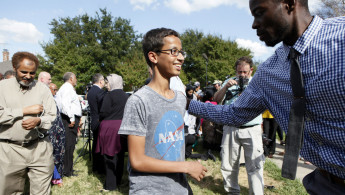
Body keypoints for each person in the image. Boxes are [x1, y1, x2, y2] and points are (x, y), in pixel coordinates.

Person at [188, 0, 345, 194]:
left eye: (260, 12)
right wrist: (187, 103)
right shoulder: (268, 73)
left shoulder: (341, 37)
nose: (254, 24)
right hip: (324, 184)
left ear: (288, 3)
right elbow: (234, 114)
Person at [118, 28, 207, 194]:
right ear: (153, 56)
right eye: (173, 51)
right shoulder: (138, 101)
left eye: (181, 52)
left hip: (179, 188)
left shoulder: (180, 99)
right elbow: (137, 161)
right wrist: (186, 166)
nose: (180, 57)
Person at [0, 52, 57, 195]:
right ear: (14, 68)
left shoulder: (43, 89)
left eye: (32, 73)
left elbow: (52, 115)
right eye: (23, 72)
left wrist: (39, 121)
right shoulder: (2, 87)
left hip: (39, 148)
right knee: (8, 191)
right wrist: (23, 111)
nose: (28, 76)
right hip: (9, 150)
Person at [212, 56, 264, 195]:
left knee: (255, 165)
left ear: (251, 70)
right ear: (236, 70)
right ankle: (232, 192)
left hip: (252, 128)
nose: (242, 75)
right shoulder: (229, 82)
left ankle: (256, 193)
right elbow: (216, 99)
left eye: (245, 72)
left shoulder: (257, 83)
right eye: (239, 72)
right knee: (228, 164)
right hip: (231, 127)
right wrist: (226, 87)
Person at [96, 74, 128, 191]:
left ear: (113, 82)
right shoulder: (126, 96)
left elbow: (104, 112)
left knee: (109, 157)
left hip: (110, 129)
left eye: (108, 82)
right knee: (119, 156)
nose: (106, 85)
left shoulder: (109, 96)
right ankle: (118, 181)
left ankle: (110, 185)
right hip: (122, 128)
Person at [55, 72, 82, 177]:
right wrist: (71, 118)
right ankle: (67, 170)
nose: (76, 80)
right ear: (71, 78)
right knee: (69, 144)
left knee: (70, 144)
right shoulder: (67, 88)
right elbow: (65, 105)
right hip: (69, 119)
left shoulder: (66, 88)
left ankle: (68, 168)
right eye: (75, 78)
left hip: (69, 118)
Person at [86, 73, 106, 174]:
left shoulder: (90, 91)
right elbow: (102, 108)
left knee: (95, 143)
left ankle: (95, 166)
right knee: (100, 144)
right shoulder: (100, 92)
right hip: (99, 120)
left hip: (94, 119)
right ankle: (100, 167)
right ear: (101, 81)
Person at [48, 82, 66, 186]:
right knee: (51, 154)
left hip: (58, 131)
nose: (56, 92)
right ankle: (55, 177)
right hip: (50, 132)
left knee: (58, 154)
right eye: (54, 90)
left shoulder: (55, 99)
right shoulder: (46, 100)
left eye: (56, 90)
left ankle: (58, 175)